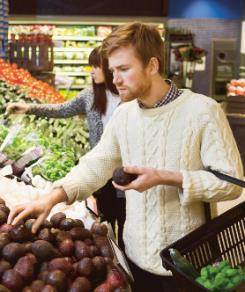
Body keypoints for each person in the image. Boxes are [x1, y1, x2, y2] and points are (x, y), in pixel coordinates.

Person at [8, 22, 243, 292]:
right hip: (133, 257)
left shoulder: (203, 111)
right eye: (112, 70)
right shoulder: (124, 115)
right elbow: (97, 164)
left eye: (124, 69)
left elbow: (232, 184)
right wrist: (51, 198)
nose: (115, 79)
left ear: (152, 66)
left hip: (187, 261)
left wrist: (166, 177)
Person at [7, 46, 126, 249]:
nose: (91, 71)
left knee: (125, 215)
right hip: (99, 167)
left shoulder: (128, 96)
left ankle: (125, 251)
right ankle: (112, 246)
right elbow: (62, 109)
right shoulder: (90, 96)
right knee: (106, 214)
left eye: (96, 66)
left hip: (125, 168)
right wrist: (28, 108)